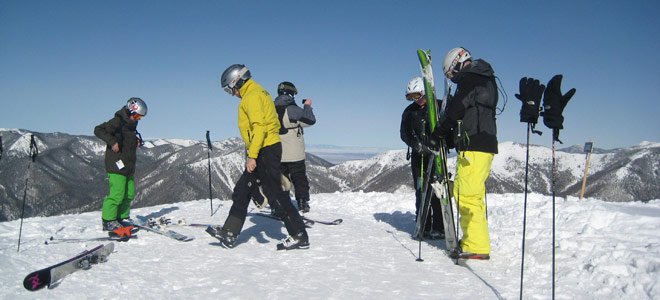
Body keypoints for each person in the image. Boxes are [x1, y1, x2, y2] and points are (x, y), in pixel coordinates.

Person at [206, 64, 309, 250]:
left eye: (230, 89)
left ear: (237, 82)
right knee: (242, 190)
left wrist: (252, 156)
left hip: (265, 149)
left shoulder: (251, 97)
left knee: (275, 194)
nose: (232, 94)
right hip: (266, 147)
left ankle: (299, 234)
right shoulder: (258, 92)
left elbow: (260, 127)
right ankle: (230, 232)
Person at [435, 47, 498, 260]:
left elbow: (457, 110)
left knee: (468, 195)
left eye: (451, 75)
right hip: (482, 144)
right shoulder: (484, 78)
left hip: (476, 145)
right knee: (473, 194)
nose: (453, 80)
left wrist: (440, 132)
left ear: (457, 64)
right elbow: (472, 113)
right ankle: (475, 240)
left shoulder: (470, 79)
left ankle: (476, 246)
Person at [94, 97, 147, 238]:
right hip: (116, 164)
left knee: (129, 193)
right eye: (136, 115)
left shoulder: (131, 125)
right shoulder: (117, 121)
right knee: (117, 194)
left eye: (140, 117)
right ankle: (109, 221)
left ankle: (122, 218)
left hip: (128, 165)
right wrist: (112, 142)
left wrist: (136, 142)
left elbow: (125, 139)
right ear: (130, 110)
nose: (137, 119)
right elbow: (98, 130)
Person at [400, 77, 445, 240]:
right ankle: (423, 225)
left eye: (417, 96)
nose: (414, 100)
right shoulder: (409, 112)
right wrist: (416, 145)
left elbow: (449, 125)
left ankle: (439, 226)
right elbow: (404, 133)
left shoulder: (438, 106)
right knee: (421, 191)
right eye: (410, 97)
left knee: (437, 192)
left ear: (425, 92)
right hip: (419, 157)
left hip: (437, 156)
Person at [273, 81, 316, 213]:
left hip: (277, 152)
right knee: (299, 178)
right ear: (291, 93)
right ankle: (302, 203)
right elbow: (310, 120)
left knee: (280, 181)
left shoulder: (270, 108)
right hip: (295, 153)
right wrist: (307, 106)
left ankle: (278, 206)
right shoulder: (293, 110)